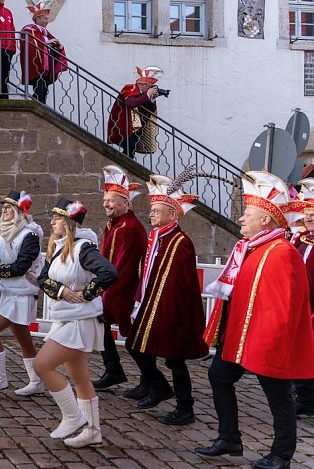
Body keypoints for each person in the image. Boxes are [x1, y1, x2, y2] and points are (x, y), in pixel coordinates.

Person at [196, 171, 314, 469]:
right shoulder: (249, 249)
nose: (240, 220)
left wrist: (271, 343)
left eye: (247, 214)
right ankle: (229, 438)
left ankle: (282, 455)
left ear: (265, 219)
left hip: (263, 339)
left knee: (278, 397)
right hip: (238, 336)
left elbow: (284, 307)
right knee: (218, 376)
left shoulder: (282, 252)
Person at [34, 198, 117, 448]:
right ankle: (93, 431)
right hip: (65, 317)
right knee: (79, 376)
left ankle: (73, 417)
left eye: (57, 218)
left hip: (80, 320)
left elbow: (109, 273)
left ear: (69, 222)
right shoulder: (58, 247)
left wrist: (87, 293)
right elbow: (42, 278)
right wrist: (61, 291)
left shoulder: (84, 248)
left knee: (42, 365)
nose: (52, 222)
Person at [126, 174, 208, 425]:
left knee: (175, 359)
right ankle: (158, 387)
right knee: (134, 345)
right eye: (151, 210)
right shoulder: (157, 238)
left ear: (172, 214)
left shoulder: (180, 242)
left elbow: (176, 283)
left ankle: (186, 408)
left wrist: (164, 313)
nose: (150, 215)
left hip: (172, 311)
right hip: (151, 305)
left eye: (156, 211)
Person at [0, 191, 45, 396]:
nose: (4, 211)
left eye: (9, 207)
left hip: (22, 292)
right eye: (3, 207)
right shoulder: (4, 231)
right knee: (22, 337)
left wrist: (1, 270)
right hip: (9, 291)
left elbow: (21, 265)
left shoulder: (30, 235)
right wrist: (0, 267)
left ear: (19, 211)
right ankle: (36, 380)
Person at [93, 165, 147, 392]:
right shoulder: (115, 225)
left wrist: (106, 290)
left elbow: (124, 266)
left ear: (125, 202)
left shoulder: (129, 228)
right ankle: (114, 369)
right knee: (98, 323)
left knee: (134, 339)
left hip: (123, 290)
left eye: (111, 200)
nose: (106, 203)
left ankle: (151, 381)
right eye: (105, 200)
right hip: (111, 288)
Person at [290, 177, 314, 417]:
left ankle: (307, 399)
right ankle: (301, 392)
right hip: (298, 306)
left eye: (313, 213)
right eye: (307, 213)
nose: (309, 217)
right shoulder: (299, 239)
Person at [106, 67, 163, 158]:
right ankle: (123, 165)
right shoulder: (130, 88)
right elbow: (131, 103)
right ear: (143, 85)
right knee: (130, 146)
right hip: (125, 125)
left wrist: (152, 99)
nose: (150, 88)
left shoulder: (143, 94)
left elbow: (146, 110)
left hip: (137, 127)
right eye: (149, 86)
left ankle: (125, 166)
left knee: (131, 149)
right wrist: (148, 94)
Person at [20, 0, 68, 103]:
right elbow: (32, 45)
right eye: (44, 18)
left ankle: (41, 104)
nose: (46, 21)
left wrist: (58, 47)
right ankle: (38, 103)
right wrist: (47, 44)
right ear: (37, 18)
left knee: (44, 89)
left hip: (47, 66)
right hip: (37, 65)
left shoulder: (46, 33)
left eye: (47, 19)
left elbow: (48, 47)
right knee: (39, 87)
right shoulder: (29, 30)